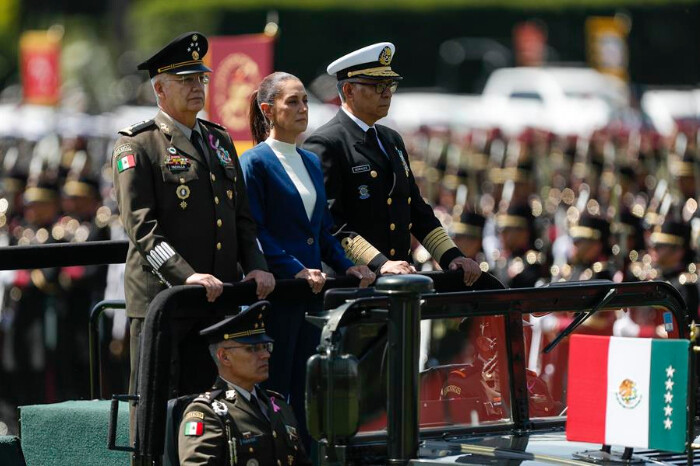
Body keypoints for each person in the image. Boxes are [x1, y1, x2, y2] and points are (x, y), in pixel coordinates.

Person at [112, 31, 275, 439]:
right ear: (160, 89)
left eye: (200, 79)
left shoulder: (217, 140)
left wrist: (255, 267)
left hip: (215, 300)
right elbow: (142, 227)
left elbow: (241, 218)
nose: (196, 87)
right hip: (163, 300)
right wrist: (185, 275)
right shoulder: (139, 144)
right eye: (185, 80)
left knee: (208, 410)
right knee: (155, 412)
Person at [240, 71, 375, 444]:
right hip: (280, 294)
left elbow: (323, 230)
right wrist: (295, 270)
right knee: (276, 388)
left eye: (304, 101)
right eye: (292, 102)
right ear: (268, 110)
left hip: (312, 294)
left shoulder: (310, 161)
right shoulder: (254, 162)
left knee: (308, 391)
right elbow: (256, 231)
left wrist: (349, 265)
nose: (302, 109)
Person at [302, 42, 481, 285]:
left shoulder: (390, 139)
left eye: (389, 85)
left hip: (399, 280)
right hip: (355, 283)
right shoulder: (326, 142)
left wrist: (452, 256)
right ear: (349, 90)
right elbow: (331, 222)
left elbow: (415, 209)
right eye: (376, 86)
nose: (387, 93)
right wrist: (380, 263)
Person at [178, 301, 311, 466]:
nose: (265, 355)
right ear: (224, 357)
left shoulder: (278, 405)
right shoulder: (207, 413)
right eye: (253, 349)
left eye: (266, 346)